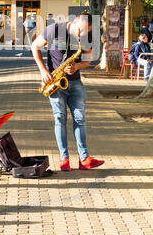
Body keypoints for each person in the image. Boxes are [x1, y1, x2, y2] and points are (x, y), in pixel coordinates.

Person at [31, 12, 104, 172]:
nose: (82, 34)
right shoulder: (54, 29)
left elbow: (88, 60)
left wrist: (77, 66)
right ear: (75, 21)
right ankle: (64, 159)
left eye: (86, 32)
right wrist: (43, 71)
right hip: (56, 84)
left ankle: (84, 159)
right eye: (81, 30)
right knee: (60, 120)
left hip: (75, 83)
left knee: (80, 120)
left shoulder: (85, 36)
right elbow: (35, 46)